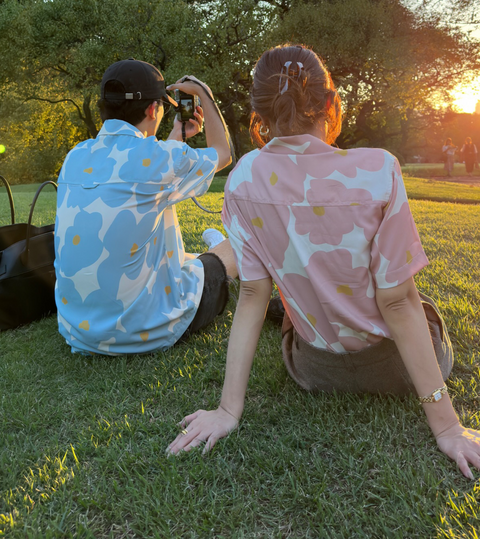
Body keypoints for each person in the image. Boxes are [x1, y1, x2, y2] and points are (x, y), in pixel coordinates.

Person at [168, 45, 480, 479]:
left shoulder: (242, 178)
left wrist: (227, 410)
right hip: (398, 373)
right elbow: (398, 304)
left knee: (284, 297)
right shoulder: (379, 169)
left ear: (259, 115)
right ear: (330, 105)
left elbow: (253, 297)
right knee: (417, 302)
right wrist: (447, 426)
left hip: (314, 370)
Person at [54, 58, 237, 355]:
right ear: (153, 109)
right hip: (144, 329)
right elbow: (222, 153)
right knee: (237, 245)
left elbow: (149, 172)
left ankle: (204, 255)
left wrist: (178, 135)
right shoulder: (159, 158)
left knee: (174, 254)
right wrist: (205, 95)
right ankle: (216, 253)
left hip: (78, 332)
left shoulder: (75, 156)